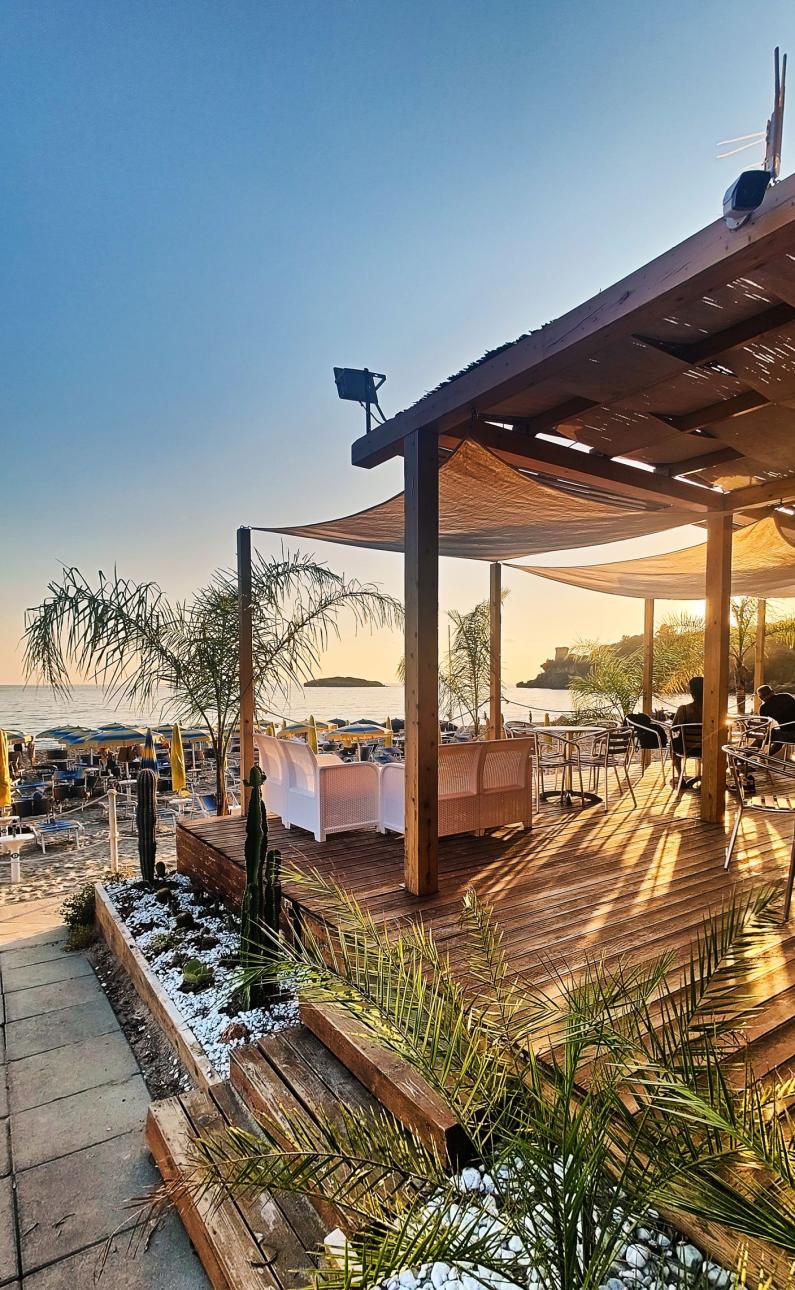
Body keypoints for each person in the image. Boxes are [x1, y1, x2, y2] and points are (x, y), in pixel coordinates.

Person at [671, 676, 703, 788]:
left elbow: (674, 728)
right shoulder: (712, 709)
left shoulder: (684, 709)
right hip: (707, 748)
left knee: (672, 744)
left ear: (691, 691)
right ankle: (704, 775)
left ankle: (680, 777)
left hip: (687, 748)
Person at [757, 685, 795, 752]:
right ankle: (765, 757)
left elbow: (764, 727)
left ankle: (743, 756)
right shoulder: (786, 696)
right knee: (778, 735)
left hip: (789, 735)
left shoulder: (764, 708)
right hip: (787, 733)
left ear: (760, 697)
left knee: (766, 736)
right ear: (772, 692)